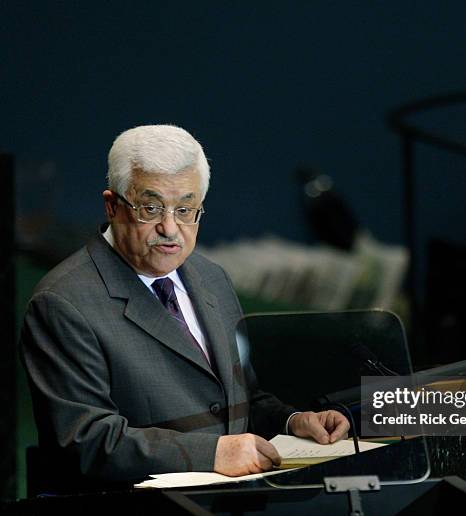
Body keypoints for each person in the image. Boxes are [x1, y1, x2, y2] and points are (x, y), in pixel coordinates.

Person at [20, 124, 349, 490]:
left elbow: (242, 402)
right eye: (151, 208)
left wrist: (292, 422)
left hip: (232, 514)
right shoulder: (63, 302)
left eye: (186, 209)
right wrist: (212, 454)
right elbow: (88, 441)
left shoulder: (212, 278)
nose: (170, 228)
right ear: (112, 206)